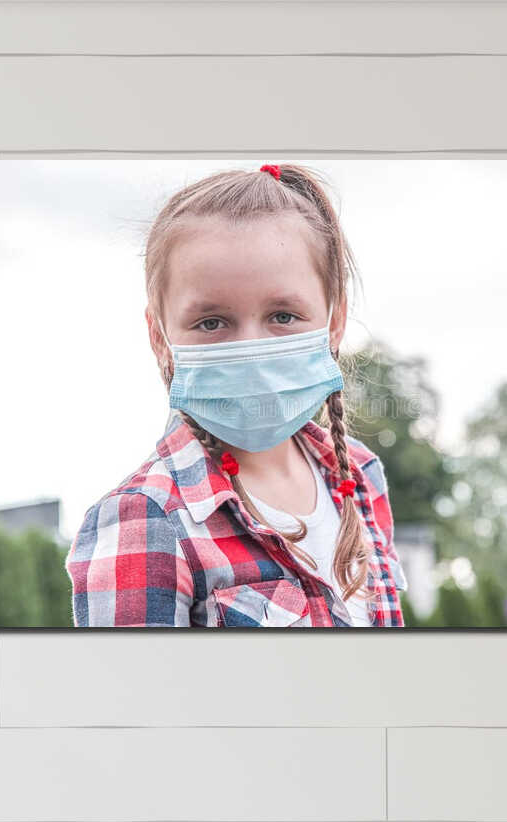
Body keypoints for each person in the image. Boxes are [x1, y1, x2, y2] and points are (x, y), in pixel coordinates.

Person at [67, 163, 405, 627]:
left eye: (283, 315)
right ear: (159, 336)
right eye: (212, 322)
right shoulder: (145, 520)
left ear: (336, 320)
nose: (251, 349)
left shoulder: (361, 478)